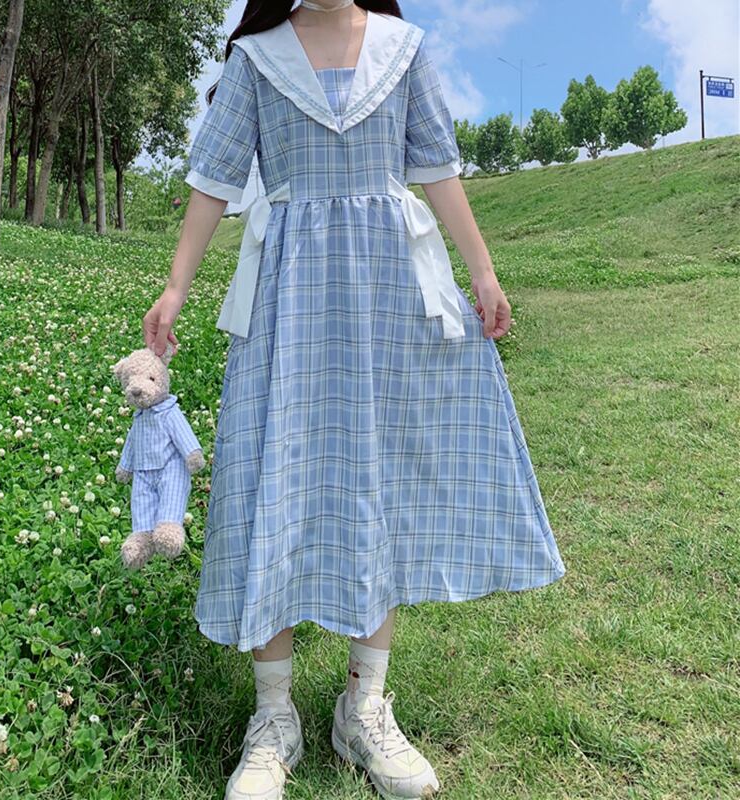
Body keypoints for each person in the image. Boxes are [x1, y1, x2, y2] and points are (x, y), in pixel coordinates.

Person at [143, 1, 567, 798]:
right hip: (287, 298)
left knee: (379, 480)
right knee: (274, 478)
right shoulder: (259, 59)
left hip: (386, 296)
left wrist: (482, 271)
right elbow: (213, 179)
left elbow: (437, 168)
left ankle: (363, 706)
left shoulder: (405, 50)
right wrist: (175, 286)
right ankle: (274, 717)